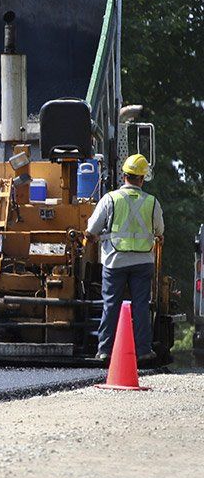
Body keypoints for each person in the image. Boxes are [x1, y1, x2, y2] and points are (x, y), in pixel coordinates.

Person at [85, 154, 164, 362]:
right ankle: (144, 351)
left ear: (124, 175)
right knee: (141, 306)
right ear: (143, 178)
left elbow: (92, 229)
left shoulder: (110, 199)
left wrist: (96, 236)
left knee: (111, 304)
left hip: (115, 261)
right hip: (143, 262)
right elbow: (159, 230)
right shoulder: (152, 203)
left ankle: (105, 351)